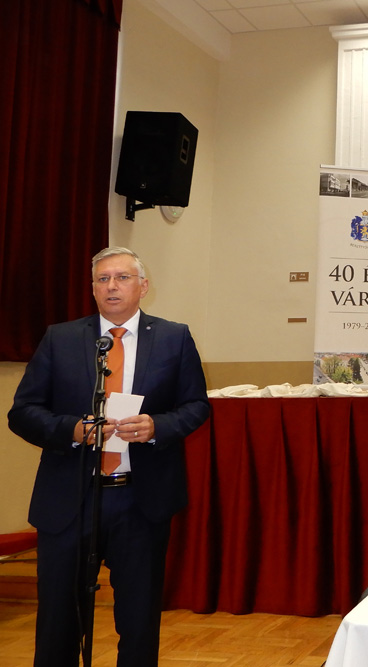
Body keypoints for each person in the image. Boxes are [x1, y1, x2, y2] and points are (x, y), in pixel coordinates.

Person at [8, 247, 210, 666]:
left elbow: (196, 406)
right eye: (103, 279)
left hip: (141, 499)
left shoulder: (173, 337)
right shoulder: (60, 338)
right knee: (58, 621)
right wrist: (71, 430)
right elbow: (22, 412)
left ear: (143, 286)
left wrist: (157, 426)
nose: (111, 286)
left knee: (138, 620)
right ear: (93, 289)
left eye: (122, 278)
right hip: (69, 499)